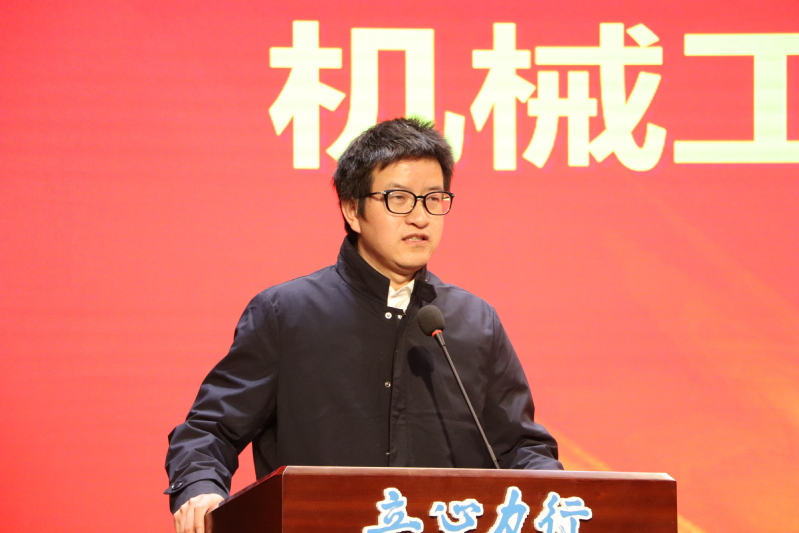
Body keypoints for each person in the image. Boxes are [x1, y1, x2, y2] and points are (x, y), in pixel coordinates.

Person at [165, 117, 562, 533]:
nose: (420, 217)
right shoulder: (286, 314)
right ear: (353, 210)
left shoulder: (475, 321)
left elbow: (522, 447)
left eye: (433, 199)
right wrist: (199, 489)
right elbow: (209, 431)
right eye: (399, 198)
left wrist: (556, 495)